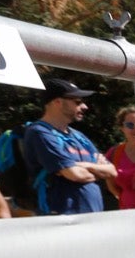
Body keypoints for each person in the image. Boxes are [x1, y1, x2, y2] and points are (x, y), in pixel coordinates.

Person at [22, 78, 115, 214]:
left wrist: (82, 165)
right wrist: (97, 170)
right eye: (77, 102)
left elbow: (112, 171)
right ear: (57, 102)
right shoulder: (40, 133)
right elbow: (75, 174)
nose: (84, 107)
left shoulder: (78, 136)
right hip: (63, 219)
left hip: (93, 215)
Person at [103, 107, 135, 209]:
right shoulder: (114, 153)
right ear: (122, 128)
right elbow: (112, 185)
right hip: (128, 214)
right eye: (130, 125)